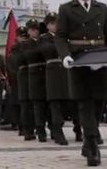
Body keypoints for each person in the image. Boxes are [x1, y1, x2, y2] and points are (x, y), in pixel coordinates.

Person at [55, 0, 107, 167]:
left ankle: (89, 137)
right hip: (79, 60)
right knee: (85, 104)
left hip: (99, 60)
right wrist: (65, 55)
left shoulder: (102, 8)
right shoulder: (66, 9)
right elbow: (60, 36)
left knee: (100, 101)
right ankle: (92, 145)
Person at [39, 11, 80, 145]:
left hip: (66, 72)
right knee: (55, 104)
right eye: (52, 23)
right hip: (53, 74)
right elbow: (47, 50)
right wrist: (63, 45)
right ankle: (57, 131)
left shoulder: (64, 37)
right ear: (47, 26)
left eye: (56, 22)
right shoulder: (44, 38)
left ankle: (78, 129)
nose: (55, 25)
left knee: (72, 103)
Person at [25, 19, 49, 142]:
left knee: (47, 106)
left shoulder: (43, 41)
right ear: (29, 31)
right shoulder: (26, 44)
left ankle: (51, 129)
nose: (35, 32)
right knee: (37, 106)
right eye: (33, 30)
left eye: (37, 29)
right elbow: (29, 55)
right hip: (34, 78)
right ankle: (40, 131)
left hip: (46, 76)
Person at [7, 26, 28, 135]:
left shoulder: (30, 49)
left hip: (29, 82)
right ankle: (21, 127)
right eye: (21, 37)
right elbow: (10, 69)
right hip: (17, 83)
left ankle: (29, 127)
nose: (23, 39)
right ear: (17, 38)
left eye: (25, 37)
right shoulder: (13, 53)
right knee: (19, 106)